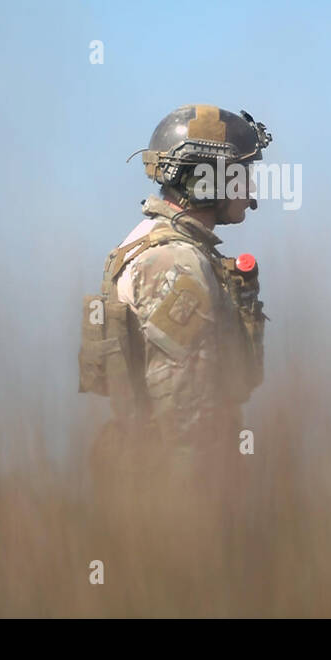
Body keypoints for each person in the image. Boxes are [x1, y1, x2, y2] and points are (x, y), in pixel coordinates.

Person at [79, 105, 271, 493]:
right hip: (170, 493)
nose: (250, 191)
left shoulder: (149, 244)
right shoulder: (175, 262)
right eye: (240, 174)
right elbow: (187, 420)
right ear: (205, 178)